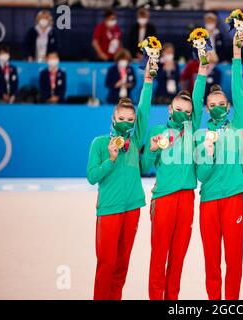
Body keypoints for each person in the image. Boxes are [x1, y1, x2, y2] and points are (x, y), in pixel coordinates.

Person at [140, 56, 208, 300]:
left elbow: (198, 98)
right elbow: (144, 165)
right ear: (170, 109)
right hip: (164, 200)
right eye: (178, 110)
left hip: (187, 201)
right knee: (159, 256)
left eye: (187, 112)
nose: (183, 114)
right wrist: (153, 149)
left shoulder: (192, 129)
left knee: (178, 258)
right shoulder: (157, 132)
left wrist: (202, 69)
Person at [86, 61, 154, 300]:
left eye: (130, 119)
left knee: (122, 266)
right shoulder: (99, 143)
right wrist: (111, 160)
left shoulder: (135, 140)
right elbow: (92, 177)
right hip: (109, 209)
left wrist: (148, 79)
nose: (126, 122)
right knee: (106, 264)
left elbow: (144, 109)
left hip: (133, 207)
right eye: (121, 118)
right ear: (113, 118)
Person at [196, 32, 243, 300]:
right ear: (206, 109)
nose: (217, 108)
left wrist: (237, 55)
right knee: (212, 259)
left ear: (229, 107)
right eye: (211, 105)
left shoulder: (238, 124)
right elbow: (202, 176)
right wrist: (208, 151)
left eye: (221, 104)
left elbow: (239, 92)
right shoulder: (202, 135)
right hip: (209, 202)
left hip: (234, 198)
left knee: (234, 258)